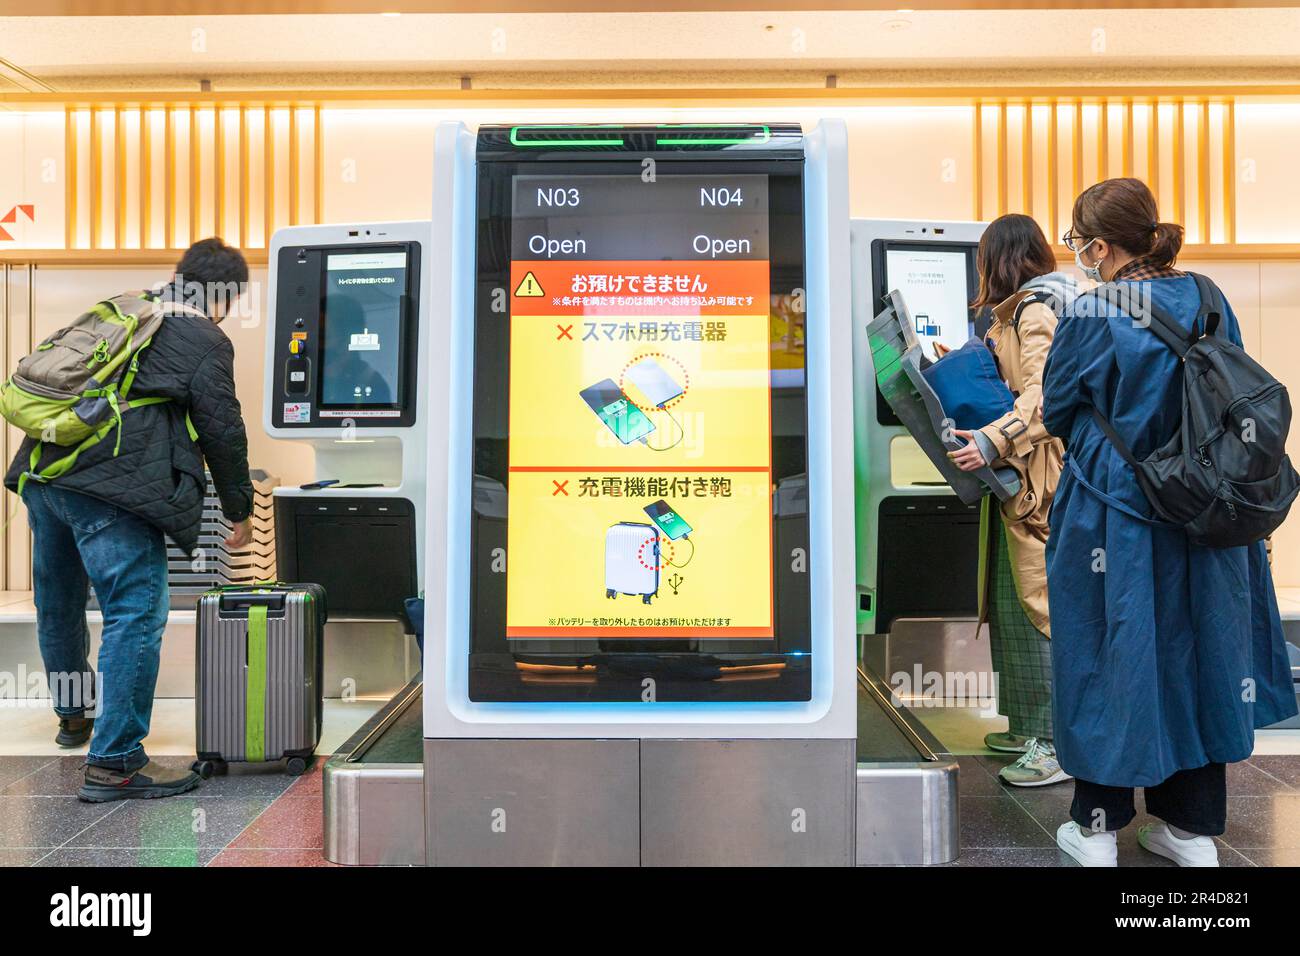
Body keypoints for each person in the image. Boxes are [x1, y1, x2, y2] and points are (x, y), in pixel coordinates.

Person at [1042, 178, 1297, 866]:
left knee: (1104, 648)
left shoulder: (1092, 311)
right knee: (1203, 653)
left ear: (1099, 245)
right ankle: (1189, 831)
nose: (1077, 254)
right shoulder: (1209, 297)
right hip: (1206, 504)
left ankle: (1097, 828)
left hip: (1113, 507)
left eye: (1077, 241)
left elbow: (1059, 407)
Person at [4, 237, 255, 802]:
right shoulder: (203, 336)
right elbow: (222, 428)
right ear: (226, 296)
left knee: (60, 602)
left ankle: (74, 717)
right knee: (134, 611)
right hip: (114, 491)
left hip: (46, 475)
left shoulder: (121, 309)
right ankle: (115, 761)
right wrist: (239, 508)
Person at [947, 214, 1078, 787]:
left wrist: (991, 439)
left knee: (1037, 610)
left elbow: (1045, 394)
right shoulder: (1018, 312)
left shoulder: (1034, 310)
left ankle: (1053, 745)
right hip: (1022, 479)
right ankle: (1032, 728)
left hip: (1038, 481)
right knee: (1012, 606)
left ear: (995, 259)